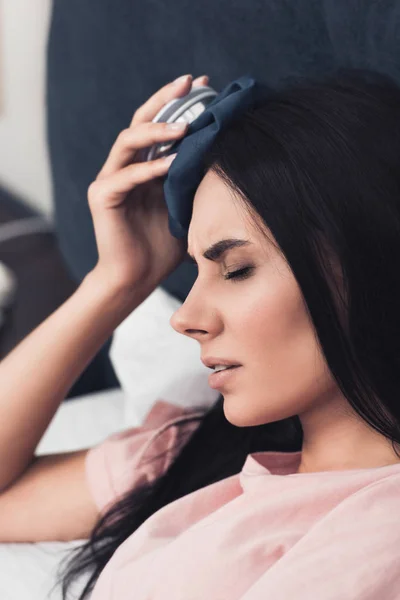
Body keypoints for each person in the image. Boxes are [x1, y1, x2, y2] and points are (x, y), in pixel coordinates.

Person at [1, 70, 400, 599]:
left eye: (235, 270)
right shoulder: (193, 457)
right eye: (193, 273)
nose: (184, 318)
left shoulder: (376, 533)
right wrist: (118, 281)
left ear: (368, 258)